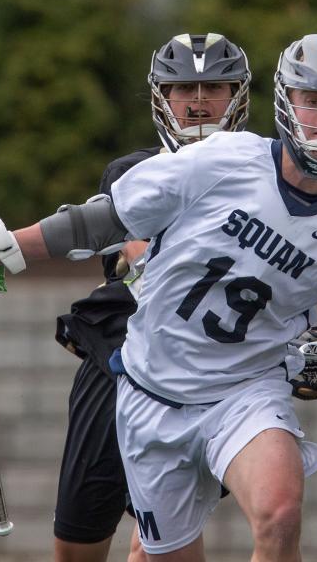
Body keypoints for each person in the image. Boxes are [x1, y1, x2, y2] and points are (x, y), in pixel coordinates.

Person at [0, 34, 317, 562]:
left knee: (280, 512)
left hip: (244, 393)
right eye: (313, 99)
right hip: (151, 394)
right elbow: (103, 222)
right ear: (285, 101)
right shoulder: (221, 159)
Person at [50, 33, 251, 562]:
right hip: (117, 367)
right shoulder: (130, 172)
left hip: (205, 377)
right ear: (162, 95)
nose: (199, 98)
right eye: (184, 85)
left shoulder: (265, 177)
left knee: (155, 545)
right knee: (77, 544)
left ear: (239, 96)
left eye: (215, 86)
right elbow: (134, 256)